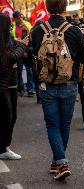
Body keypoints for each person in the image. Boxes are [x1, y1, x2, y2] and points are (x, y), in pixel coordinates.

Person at [31, 0, 84, 180]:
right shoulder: (74, 30)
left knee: (52, 125)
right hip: (69, 84)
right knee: (64, 125)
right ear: (65, 8)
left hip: (46, 85)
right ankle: (61, 161)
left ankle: (59, 161)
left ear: (47, 8)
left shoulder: (38, 31)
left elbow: (35, 54)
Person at [0, 13, 28, 160]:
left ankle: (4, 146)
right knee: (7, 115)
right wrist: (23, 45)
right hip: (4, 83)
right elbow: (7, 59)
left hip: (11, 81)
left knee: (11, 115)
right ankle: (3, 148)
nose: (10, 27)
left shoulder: (7, 37)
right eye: (8, 25)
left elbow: (10, 53)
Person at [11, 11, 36, 97]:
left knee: (30, 71)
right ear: (15, 19)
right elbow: (11, 39)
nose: (20, 19)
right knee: (19, 71)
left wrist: (26, 50)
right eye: (18, 18)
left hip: (27, 52)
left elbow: (31, 36)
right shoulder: (12, 26)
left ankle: (31, 89)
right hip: (17, 52)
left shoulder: (27, 24)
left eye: (21, 17)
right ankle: (21, 89)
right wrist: (17, 40)